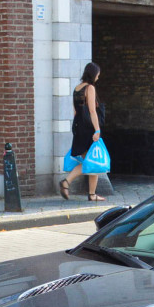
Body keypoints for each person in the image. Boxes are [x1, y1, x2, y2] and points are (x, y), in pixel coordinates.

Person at [60, 62, 106, 202]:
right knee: (92, 161)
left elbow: (75, 111)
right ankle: (66, 182)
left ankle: (92, 194)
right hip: (88, 128)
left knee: (91, 161)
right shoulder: (90, 88)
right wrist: (97, 129)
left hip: (78, 126)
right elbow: (92, 111)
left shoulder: (77, 88)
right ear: (93, 74)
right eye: (98, 73)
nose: (99, 76)